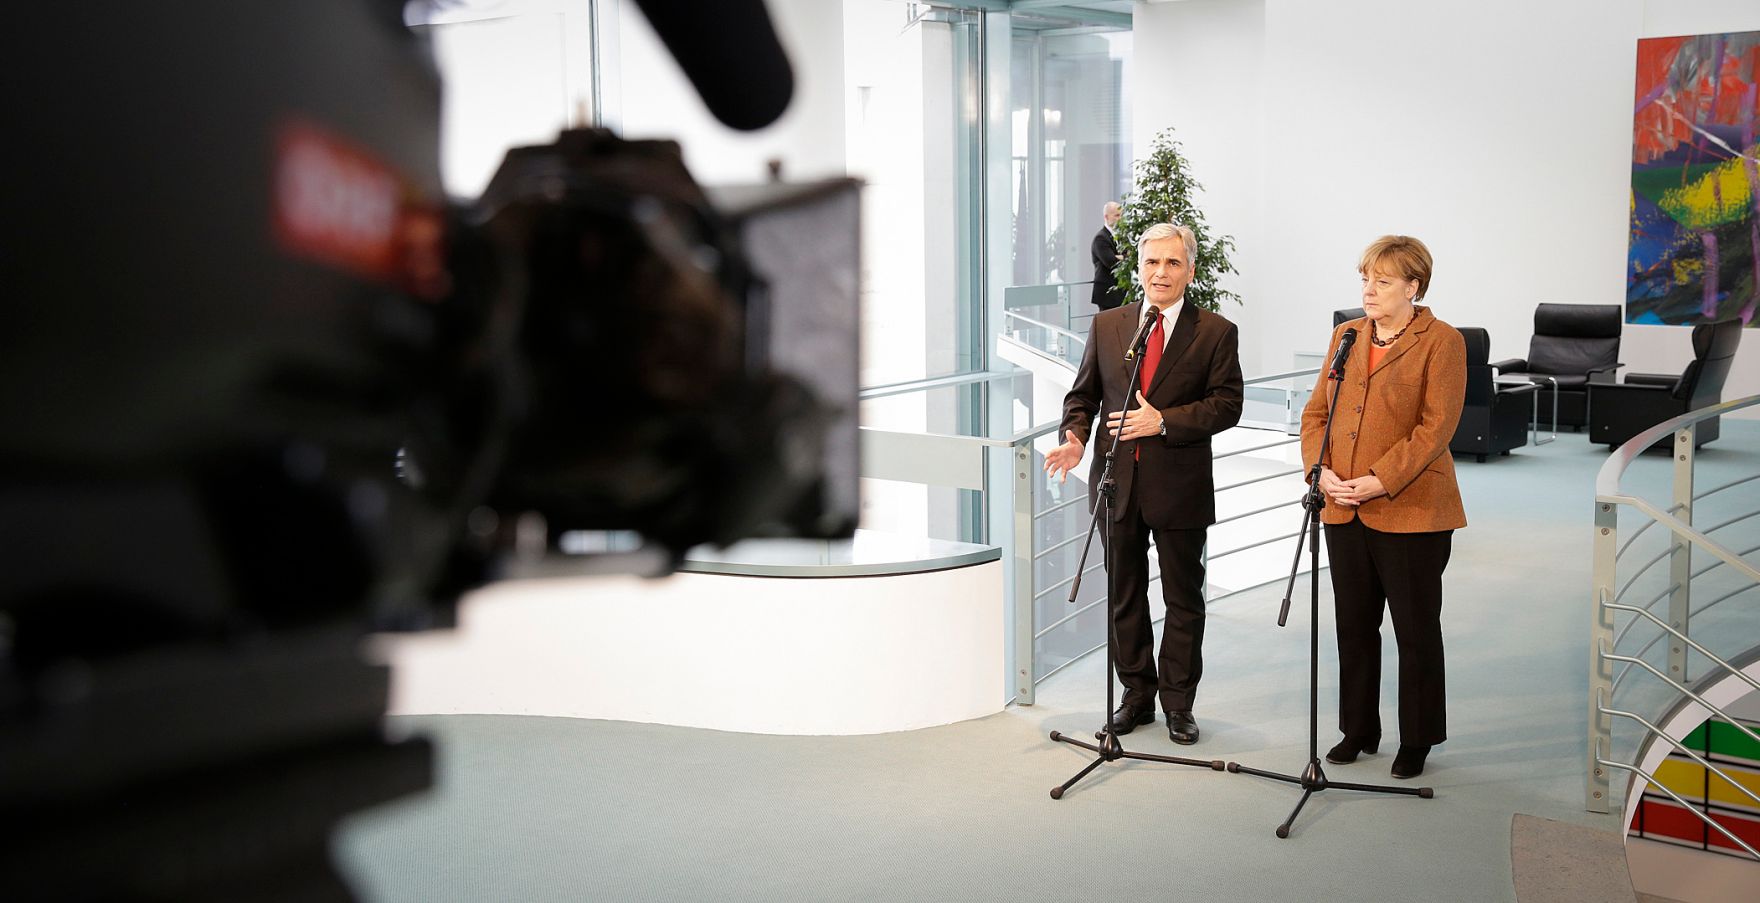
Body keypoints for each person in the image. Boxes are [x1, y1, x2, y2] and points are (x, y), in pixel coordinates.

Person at [1045, 222, 1243, 745]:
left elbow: (1228, 405)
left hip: (1179, 486)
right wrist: (1074, 439)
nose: (1161, 272)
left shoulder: (1215, 331)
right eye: (1152, 262)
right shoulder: (1109, 325)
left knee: (1184, 600)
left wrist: (1163, 422)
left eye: (1173, 263)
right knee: (1123, 597)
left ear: (1190, 271)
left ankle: (1178, 704)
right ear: (1139, 268)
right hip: (1116, 484)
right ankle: (1136, 696)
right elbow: (1083, 396)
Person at [1299, 234, 1466, 780]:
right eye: (1365, 279)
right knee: (1354, 626)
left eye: (1383, 281)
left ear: (1413, 286)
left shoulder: (1442, 341)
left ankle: (1417, 738)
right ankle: (1358, 729)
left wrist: (1378, 480)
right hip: (1341, 505)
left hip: (1410, 509)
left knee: (1415, 631)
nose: (1369, 290)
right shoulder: (1346, 336)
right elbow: (1316, 414)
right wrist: (1319, 470)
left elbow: (1436, 429)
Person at [1090, 202, 1125, 310]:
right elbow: (1111, 262)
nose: (1120, 219)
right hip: (1107, 294)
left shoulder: (1121, 236)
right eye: (1117, 215)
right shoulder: (1100, 238)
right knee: (1107, 320)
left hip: (1120, 292)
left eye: (1121, 215)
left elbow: (1130, 257)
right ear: (1106, 217)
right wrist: (1121, 257)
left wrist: (1119, 257)